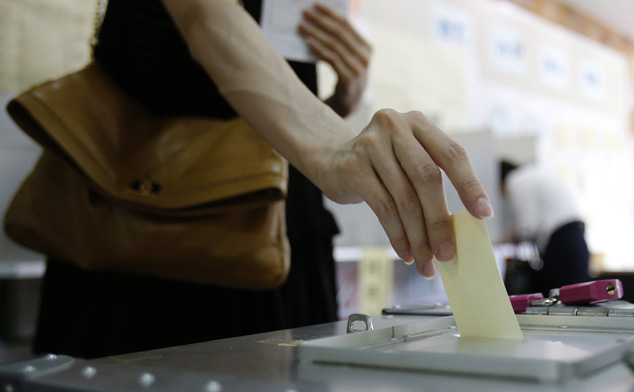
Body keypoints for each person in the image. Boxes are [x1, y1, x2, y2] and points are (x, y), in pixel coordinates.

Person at [31, 0, 493, 359]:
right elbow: (206, 21)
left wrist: (338, 99)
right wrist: (334, 144)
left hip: (282, 218)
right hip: (151, 223)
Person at [500, 160, 590, 295]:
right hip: (576, 235)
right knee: (577, 294)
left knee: (558, 297)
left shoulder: (515, 180)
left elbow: (528, 224)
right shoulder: (537, 173)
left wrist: (511, 237)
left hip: (560, 241)